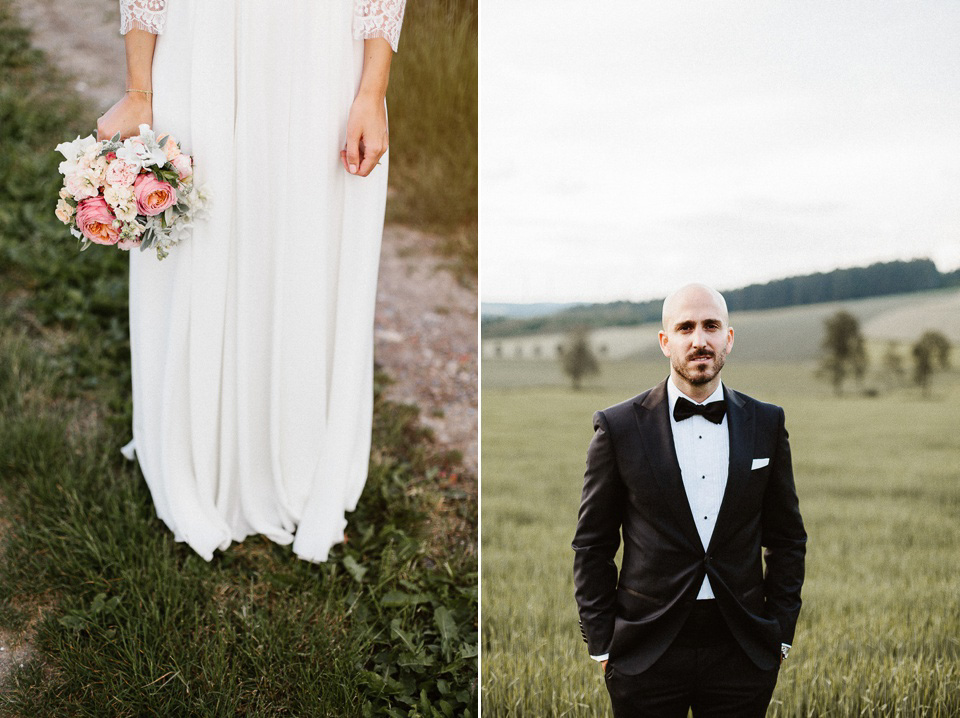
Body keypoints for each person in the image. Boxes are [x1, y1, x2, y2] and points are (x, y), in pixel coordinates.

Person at [96, 0, 406, 563]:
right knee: (202, 241)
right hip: (202, 43)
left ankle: (299, 458)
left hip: (318, 51)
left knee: (306, 241)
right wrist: (139, 90)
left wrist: (370, 91)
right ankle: (198, 455)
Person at [572, 283, 806, 717]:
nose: (699, 339)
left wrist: (781, 633)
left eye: (711, 326)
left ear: (728, 338)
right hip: (646, 652)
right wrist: (603, 645)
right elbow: (592, 544)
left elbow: (787, 537)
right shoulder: (619, 427)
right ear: (666, 342)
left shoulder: (767, 422)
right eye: (685, 327)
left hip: (742, 649)